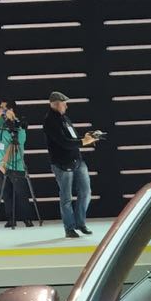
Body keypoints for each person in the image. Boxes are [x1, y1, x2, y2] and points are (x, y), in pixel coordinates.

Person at [43, 90, 99, 238]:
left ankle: (80, 223)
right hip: (62, 164)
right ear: (56, 104)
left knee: (86, 192)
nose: (66, 106)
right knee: (66, 198)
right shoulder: (49, 122)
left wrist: (85, 138)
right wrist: (83, 142)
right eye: (64, 104)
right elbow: (64, 142)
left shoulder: (65, 119)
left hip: (77, 160)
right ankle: (69, 228)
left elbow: (72, 138)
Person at [0, 98, 32, 227]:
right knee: (6, 193)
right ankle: (10, 219)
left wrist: (4, 162)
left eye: (4, 107)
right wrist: (4, 111)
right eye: (1, 107)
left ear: (12, 109)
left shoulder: (19, 126)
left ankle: (27, 218)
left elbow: (15, 147)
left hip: (15, 164)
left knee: (21, 193)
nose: (1, 110)